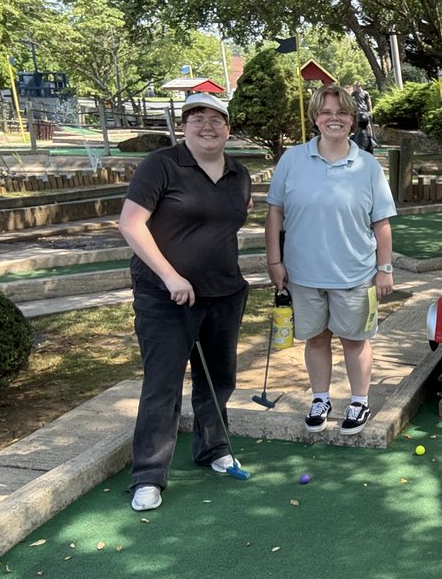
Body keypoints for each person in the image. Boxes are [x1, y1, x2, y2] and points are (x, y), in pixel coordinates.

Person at [117, 93, 251, 512]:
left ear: (228, 128)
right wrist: (170, 275)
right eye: (197, 118)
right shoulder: (161, 165)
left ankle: (213, 448)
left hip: (224, 292)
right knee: (163, 385)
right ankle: (149, 475)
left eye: (216, 119)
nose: (207, 126)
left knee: (218, 380)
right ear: (184, 126)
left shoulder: (238, 173)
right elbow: (131, 224)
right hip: (165, 296)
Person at [265, 83, 396, 435]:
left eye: (342, 113)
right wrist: (274, 262)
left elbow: (381, 223)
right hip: (303, 274)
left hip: (355, 273)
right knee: (316, 339)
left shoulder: (368, 165)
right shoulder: (292, 159)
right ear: (315, 118)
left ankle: (359, 401)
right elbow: (275, 213)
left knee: (355, 340)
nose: (333, 118)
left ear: (353, 119)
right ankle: (320, 399)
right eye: (326, 112)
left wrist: (384, 269)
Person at [350, 81, 374, 150]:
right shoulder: (354, 93)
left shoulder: (365, 93)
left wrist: (370, 111)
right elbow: (350, 100)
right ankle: (358, 137)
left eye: (355, 86)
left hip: (365, 111)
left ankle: (371, 138)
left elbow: (369, 103)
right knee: (357, 124)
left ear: (359, 86)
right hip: (358, 111)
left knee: (368, 124)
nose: (355, 88)